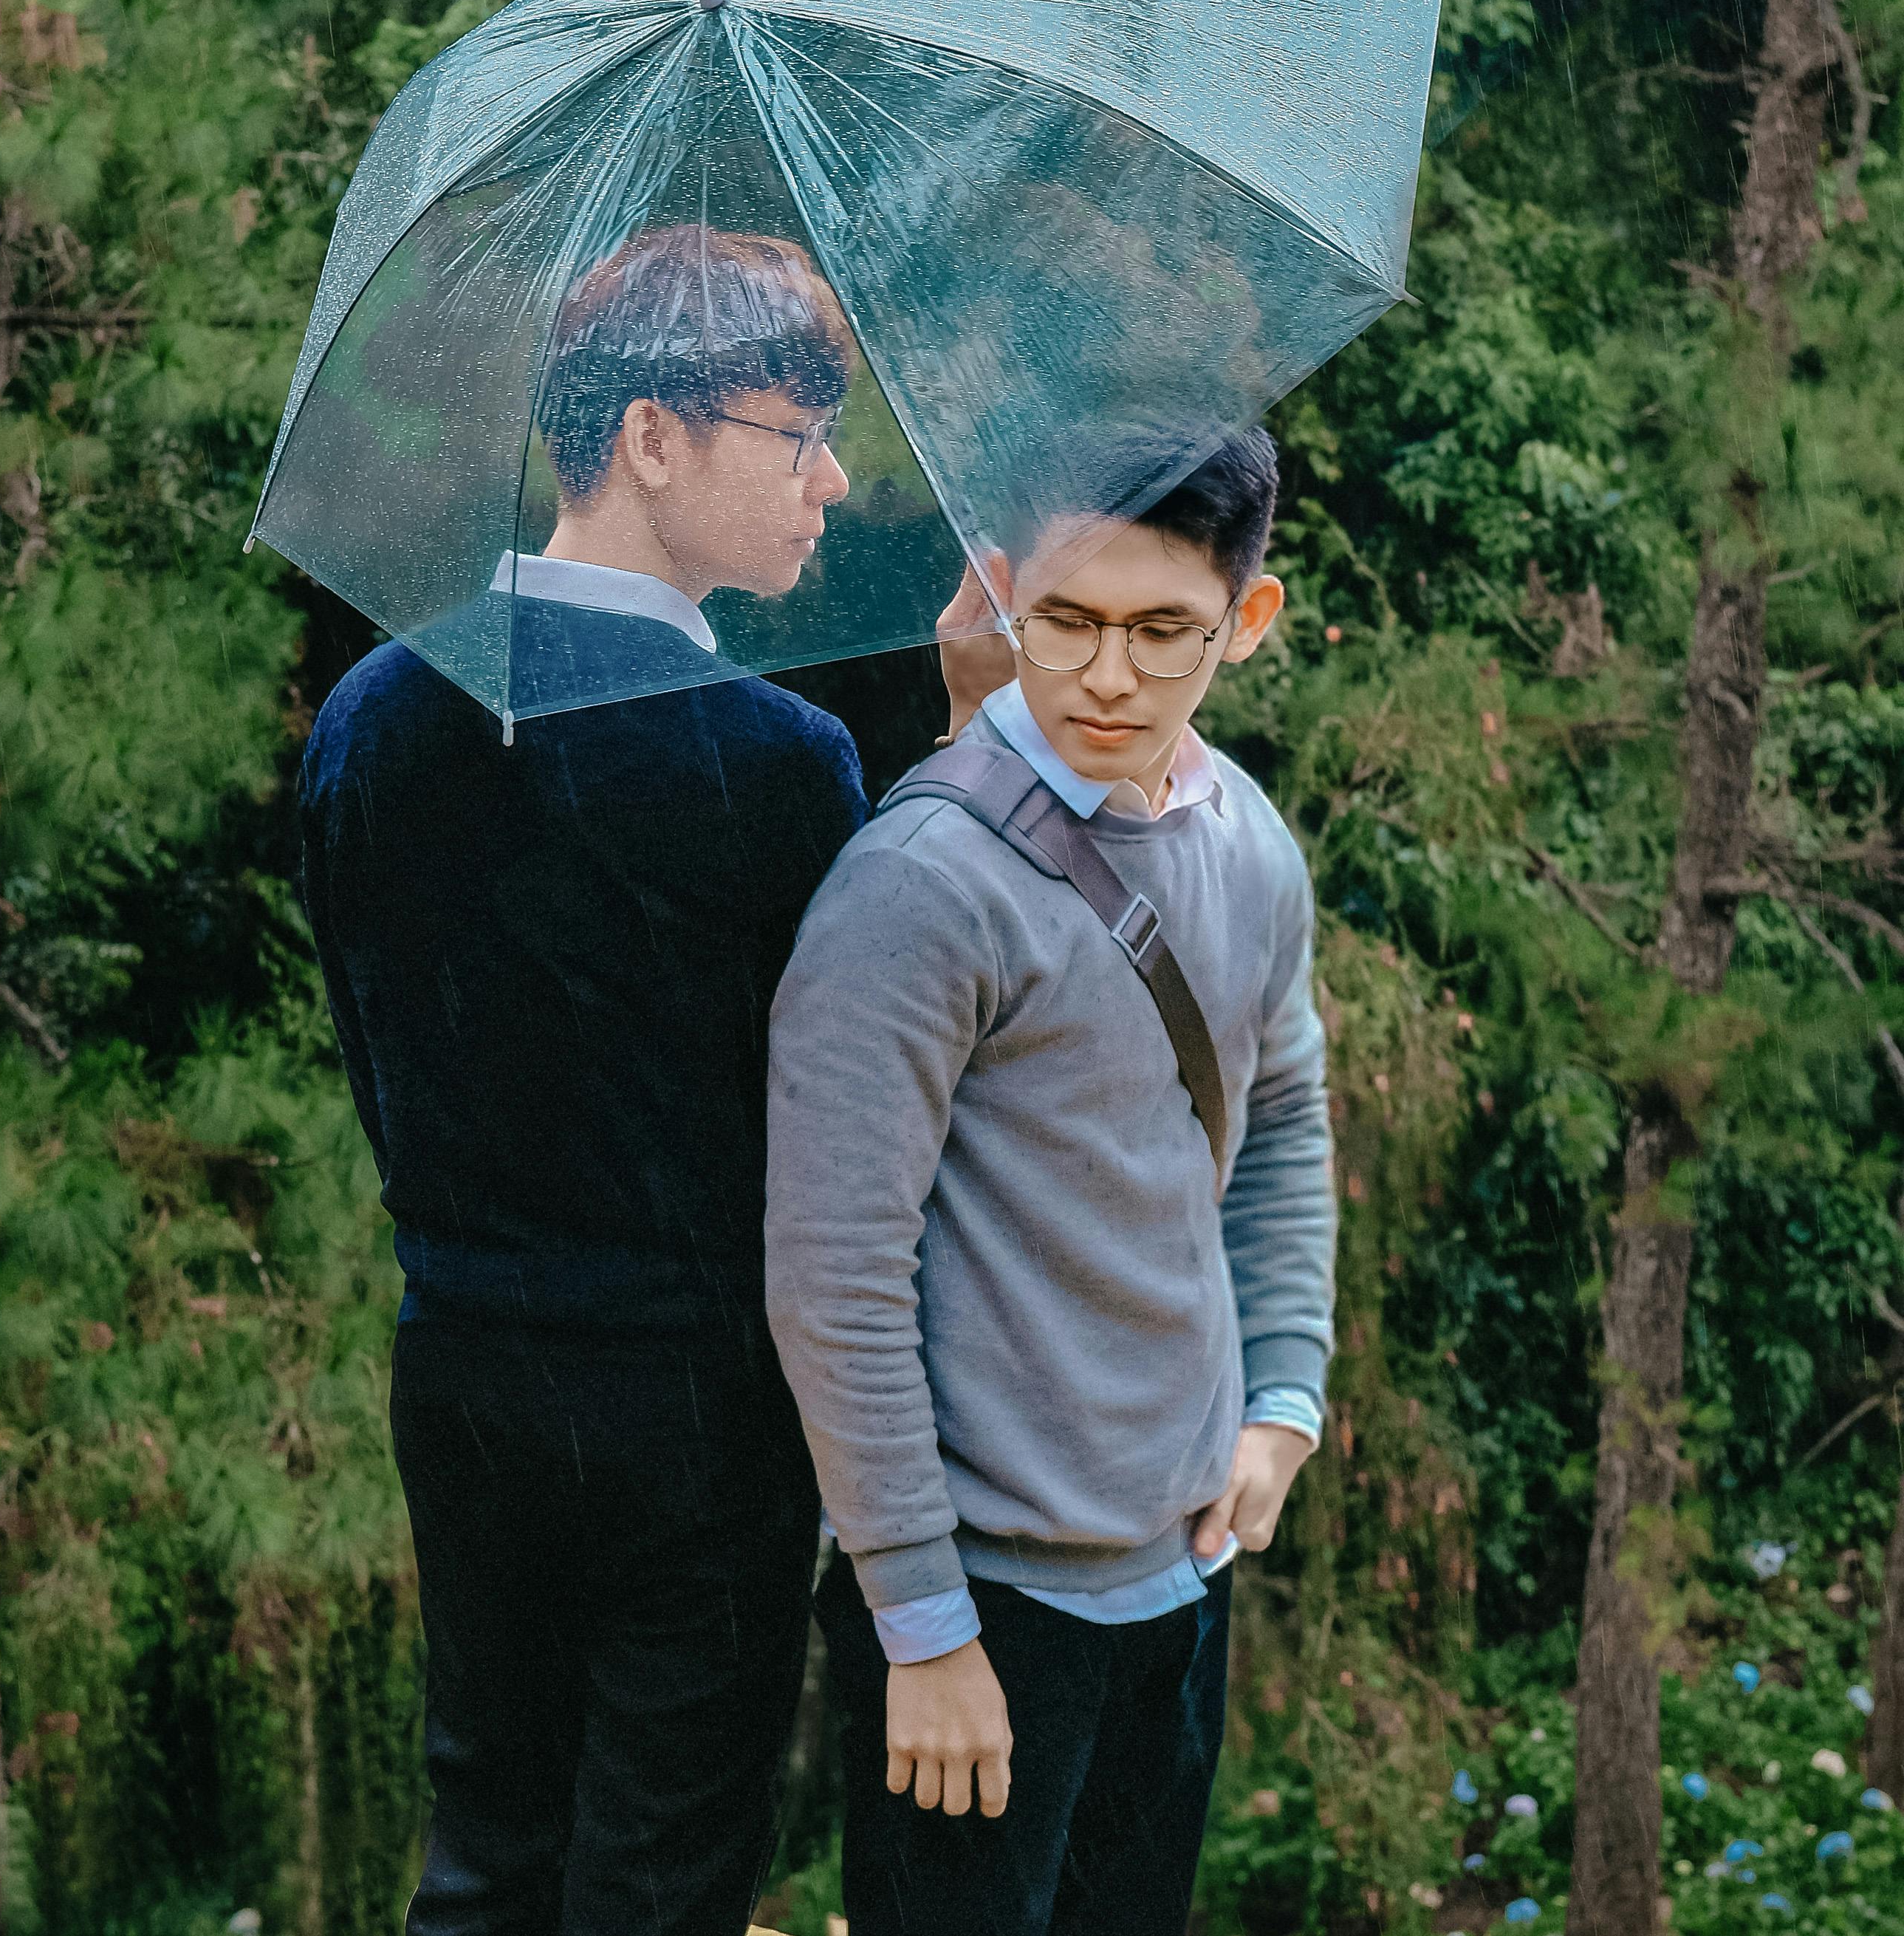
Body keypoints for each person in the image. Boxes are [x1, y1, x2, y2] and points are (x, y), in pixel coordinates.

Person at [300, 224, 871, 1936]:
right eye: (797, 433)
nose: (833, 479)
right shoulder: (777, 763)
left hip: (460, 1367)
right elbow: (840, 1138)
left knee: (485, 1857)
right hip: (693, 1406)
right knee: (660, 1881)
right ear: (651, 437)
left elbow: (375, 1053)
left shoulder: (369, 715)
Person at [766, 429, 1335, 1936]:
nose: (1108, 677)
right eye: (1068, 621)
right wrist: (920, 1620)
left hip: (1182, 1569)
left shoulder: (1250, 844)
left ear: (1247, 620)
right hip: (982, 1602)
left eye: (1164, 631)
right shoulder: (918, 883)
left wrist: (1283, 1393)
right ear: (1003, 592)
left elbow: (1283, 1112)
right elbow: (832, 1275)